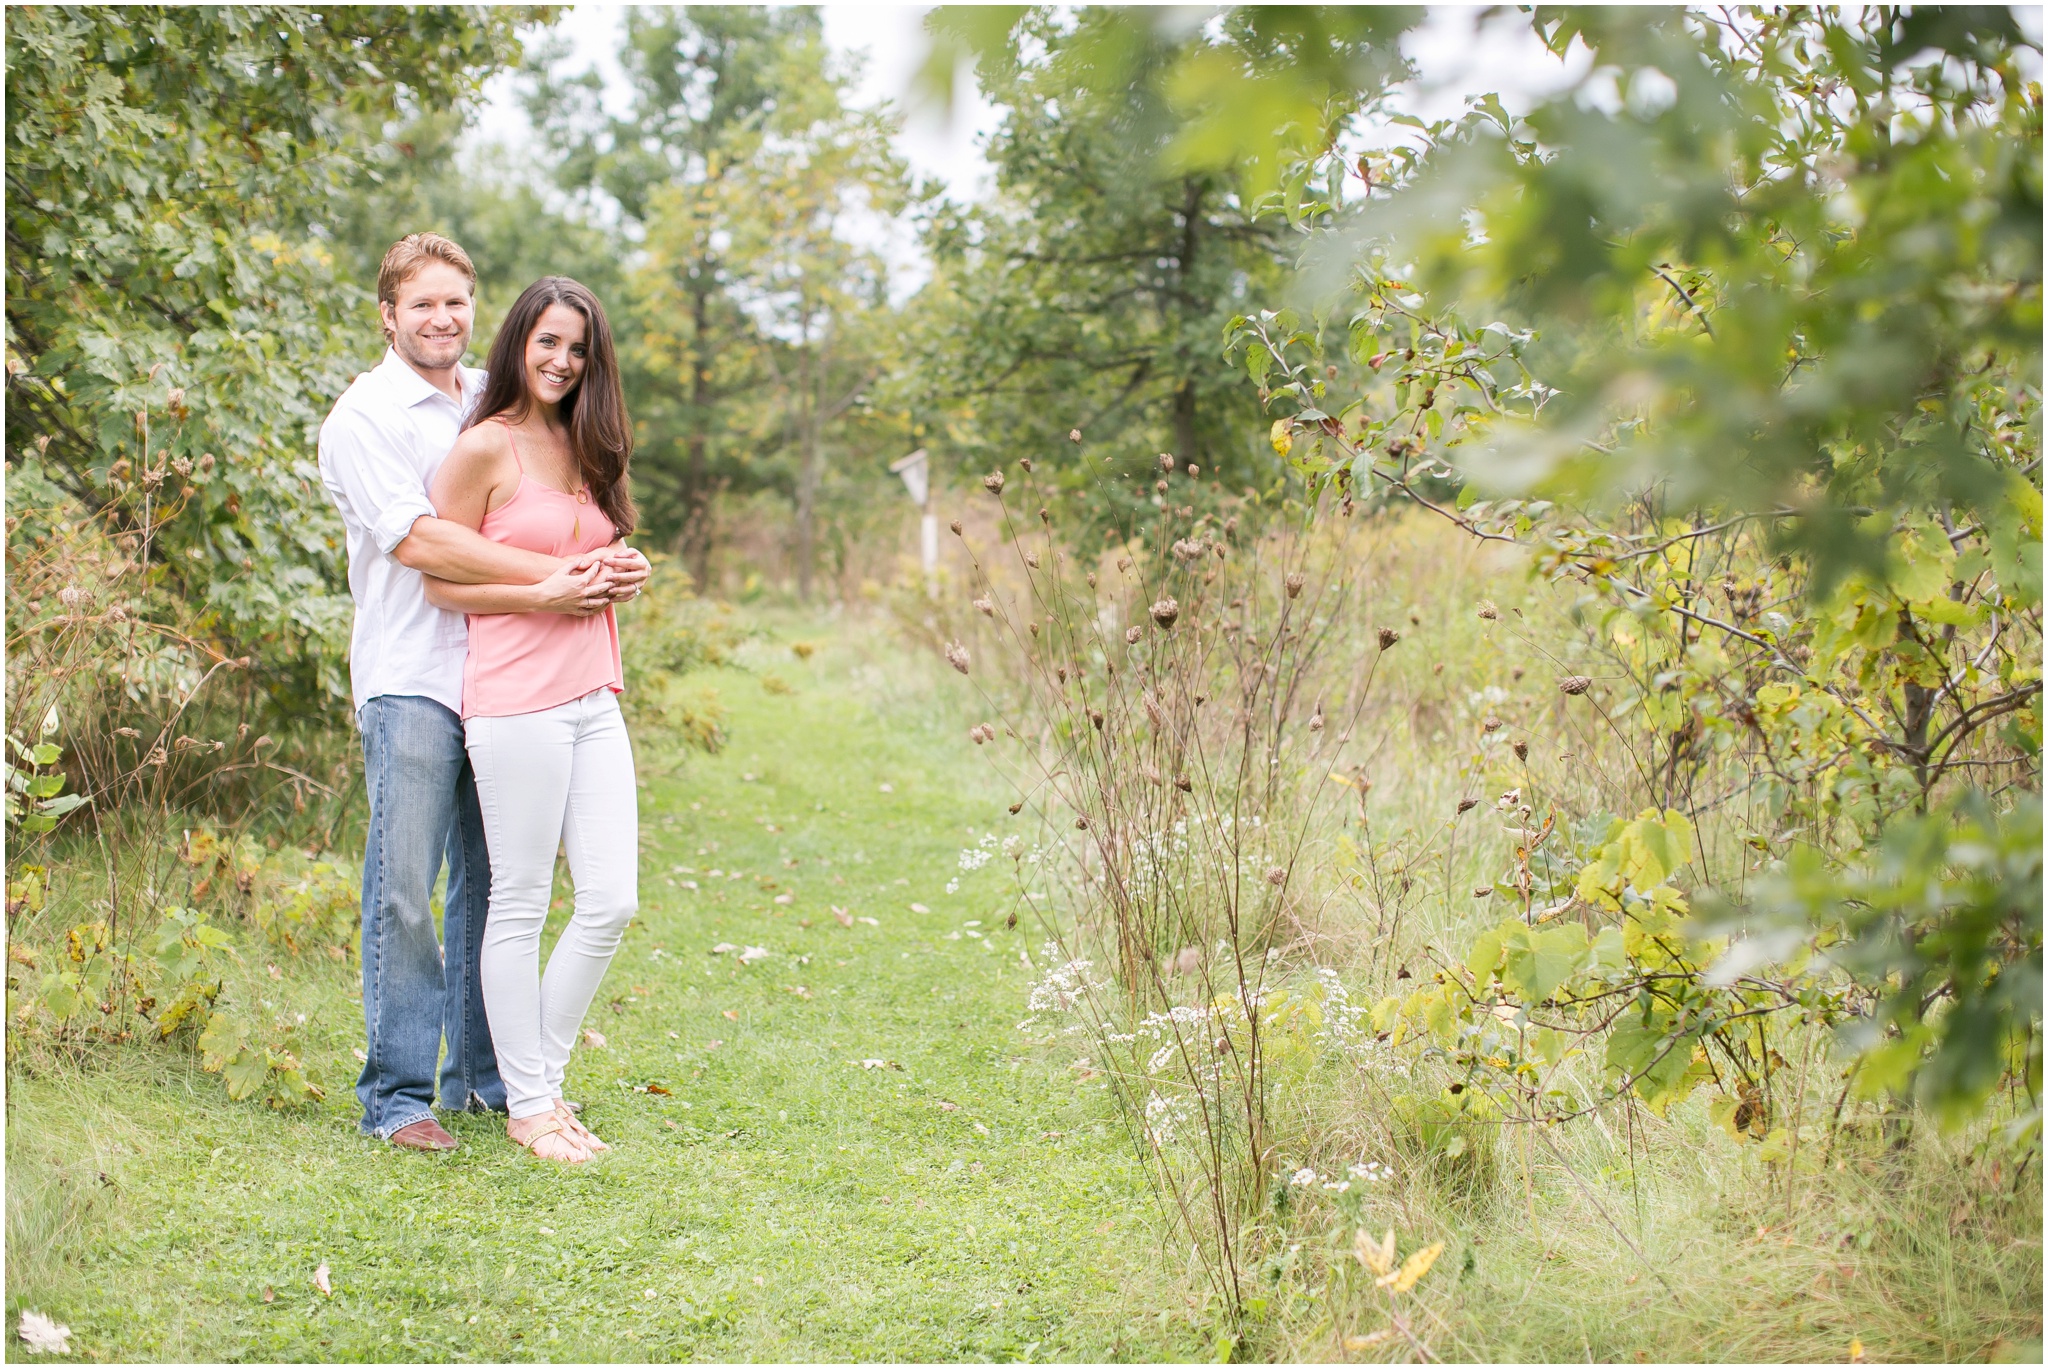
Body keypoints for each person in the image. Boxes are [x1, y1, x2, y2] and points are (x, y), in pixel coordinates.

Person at [317, 235, 648, 1152]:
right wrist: (552, 578)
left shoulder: (488, 396)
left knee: (493, 885)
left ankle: (488, 1081)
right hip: (417, 676)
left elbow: (553, 499)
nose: (441, 319)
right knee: (407, 887)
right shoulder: (364, 417)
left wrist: (597, 566)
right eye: (422, 304)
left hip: (508, 674)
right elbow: (422, 546)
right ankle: (397, 1097)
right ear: (388, 313)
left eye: (456, 303)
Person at [423, 276, 644, 1164]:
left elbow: (591, 550)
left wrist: (624, 572)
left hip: (596, 693)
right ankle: (533, 1107)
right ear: (518, 340)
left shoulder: (585, 439)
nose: (561, 361)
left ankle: (534, 1086)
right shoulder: (485, 447)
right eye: (547, 342)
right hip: (517, 698)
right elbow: (439, 577)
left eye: (578, 348)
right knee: (519, 901)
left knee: (612, 899)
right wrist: (542, 592)